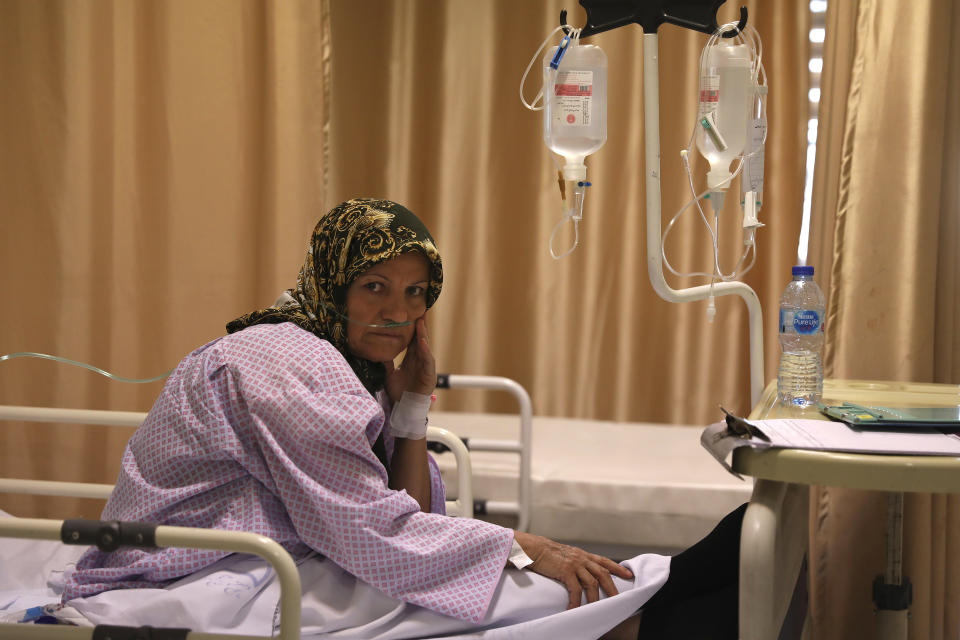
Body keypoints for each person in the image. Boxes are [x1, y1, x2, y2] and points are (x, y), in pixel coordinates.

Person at [61, 198, 744, 639]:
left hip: (273, 559)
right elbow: (375, 534)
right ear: (332, 283)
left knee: (443, 590)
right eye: (375, 287)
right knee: (433, 606)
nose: (398, 311)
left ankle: (659, 601)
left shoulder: (341, 362)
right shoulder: (281, 364)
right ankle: (658, 602)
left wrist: (412, 410)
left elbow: (401, 517)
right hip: (180, 579)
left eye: (416, 293)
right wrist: (522, 544)